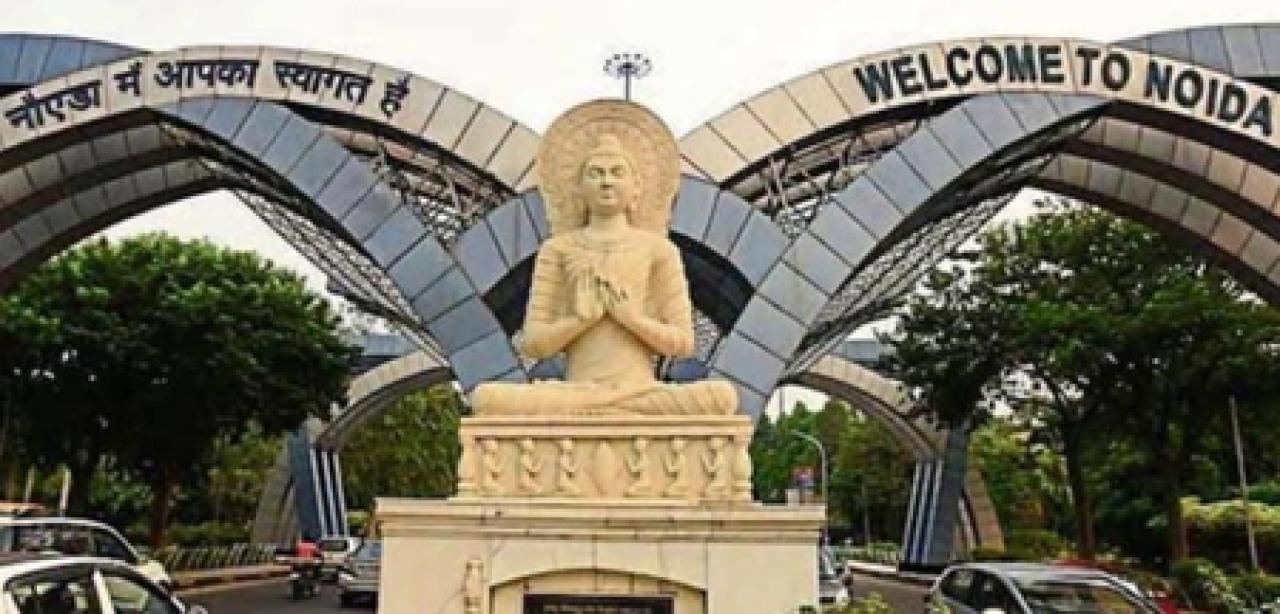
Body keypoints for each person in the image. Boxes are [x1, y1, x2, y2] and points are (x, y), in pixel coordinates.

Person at [471, 100, 736, 417]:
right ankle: (608, 408)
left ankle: (612, 407)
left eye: (616, 173)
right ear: (578, 188)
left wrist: (632, 319)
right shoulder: (558, 249)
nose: (606, 182)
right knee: (486, 398)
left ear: (636, 188)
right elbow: (533, 343)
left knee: (720, 397)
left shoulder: (658, 250)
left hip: (640, 389)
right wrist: (579, 320)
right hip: (576, 391)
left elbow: (682, 342)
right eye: (595, 174)